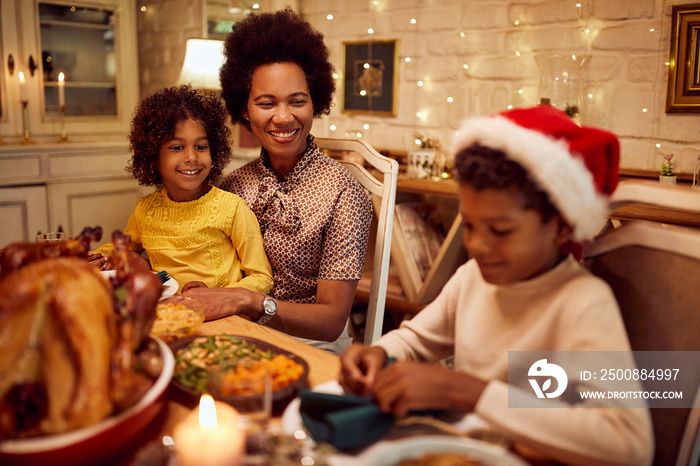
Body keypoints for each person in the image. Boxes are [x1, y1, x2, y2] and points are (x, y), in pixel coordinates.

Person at [339, 106, 653, 465]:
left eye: (501, 231)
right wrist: (377, 354)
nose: (477, 246)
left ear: (562, 226)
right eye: (470, 225)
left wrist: (464, 391)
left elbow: (629, 443)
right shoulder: (473, 277)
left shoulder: (582, 303)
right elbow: (414, 341)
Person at [181, 8, 373, 354]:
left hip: (315, 348)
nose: (283, 117)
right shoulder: (232, 185)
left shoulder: (344, 193)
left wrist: (249, 301)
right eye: (266, 103)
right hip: (239, 335)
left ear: (315, 103)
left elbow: (331, 322)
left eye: (297, 102)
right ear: (244, 109)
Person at [90, 84, 273, 296]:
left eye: (201, 147)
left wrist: (217, 296)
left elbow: (262, 277)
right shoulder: (145, 211)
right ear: (154, 158)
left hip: (224, 317)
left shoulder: (231, 208)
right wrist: (93, 259)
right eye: (177, 147)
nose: (192, 157)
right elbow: (119, 250)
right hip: (168, 316)